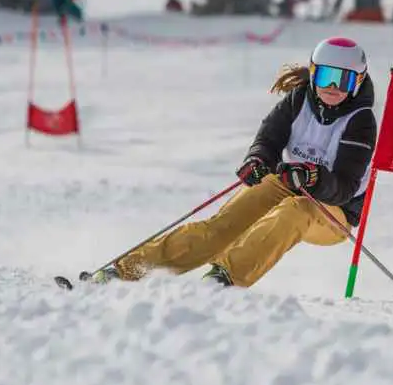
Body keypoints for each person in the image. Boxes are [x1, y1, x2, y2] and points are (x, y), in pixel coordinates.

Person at [93, 36, 378, 288]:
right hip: (290, 181)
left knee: (296, 210)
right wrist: (257, 160)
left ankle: (224, 279)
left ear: (358, 82)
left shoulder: (360, 122)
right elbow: (269, 139)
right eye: (327, 75)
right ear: (314, 73)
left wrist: (312, 177)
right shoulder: (298, 99)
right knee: (224, 226)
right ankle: (130, 270)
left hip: (334, 212)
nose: (332, 87)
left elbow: (343, 186)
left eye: (344, 80)